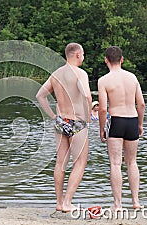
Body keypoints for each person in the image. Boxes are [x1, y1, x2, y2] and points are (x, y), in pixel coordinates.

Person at [36, 43, 92, 212]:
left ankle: (59, 202)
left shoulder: (56, 74)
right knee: (80, 162)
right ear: (77, 55)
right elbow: (87, 95)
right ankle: (68, 202)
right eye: (82, 54)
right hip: (77, 122)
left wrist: (52, 115)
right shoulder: (80, 73)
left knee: (61, 162)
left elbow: (40, 96)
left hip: (61, 122)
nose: (83, 57)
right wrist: (88, 116)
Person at [97, 46, 145, 211]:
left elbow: (102, 109)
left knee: (115, 163)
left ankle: (118, 204)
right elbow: (142, 104)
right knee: (132, 162)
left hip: (116, 121)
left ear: (106, 60)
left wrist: (102, 129)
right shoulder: (133, 78)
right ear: (122, 59)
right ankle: (136, 202)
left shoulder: (104, 80)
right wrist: (140, 124)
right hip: (132, 120)